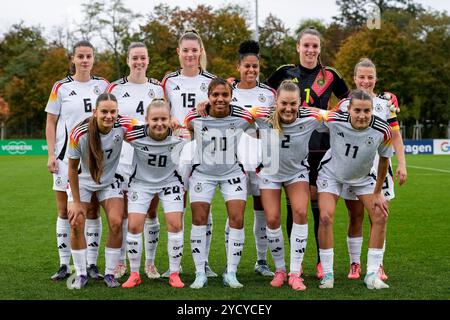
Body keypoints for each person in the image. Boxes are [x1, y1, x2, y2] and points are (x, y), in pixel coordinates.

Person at [266, 27, 349, 279]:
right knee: (295, 208)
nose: (310, 50)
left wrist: (332, 114)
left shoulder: (330, 75)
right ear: (298, 47)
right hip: (291, 149)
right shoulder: (284, 72)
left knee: (317, 207)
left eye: (315, 46)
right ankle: (296, 262)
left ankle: (321, 262)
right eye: (306, 45)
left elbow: (347, 100)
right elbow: (264, 94)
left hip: (322, 149)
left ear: (320, 49)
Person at [334, 58, 407, 281]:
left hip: (379, 166)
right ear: (355, 79)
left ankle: (377, 265)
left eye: (370, 77)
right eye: (361, 77)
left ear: (376, 79)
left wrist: (402, 164)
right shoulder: (345, 104)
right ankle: (355, 263)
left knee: (380, 214)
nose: (366, 81)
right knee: (355, 216)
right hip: (353, 166)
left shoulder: (386, 105)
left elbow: (395, 135)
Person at [45, 40, 109, 281]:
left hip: (95, 158)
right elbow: (51, 122)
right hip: (65, 159)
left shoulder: (103, 85)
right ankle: (64, 264)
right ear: (73, 59)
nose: (84, 60)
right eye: (80, 56)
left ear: (93, 59)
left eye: (88, 56)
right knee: (64, 211)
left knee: (92, 211)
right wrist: (51, 154)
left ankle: (91, 264)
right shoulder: (60, 87)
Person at [317, 89, 392, 290]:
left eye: (366, 111)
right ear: (348, 109)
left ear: (372, 111)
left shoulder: (382, 129)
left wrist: (377, 193)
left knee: (380, 215)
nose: (362, 115)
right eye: (357, 110)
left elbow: (384, 160)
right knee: (325, 217)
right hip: (331, 174)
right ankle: (328, 274)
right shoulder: (334, 119)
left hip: (362, 177)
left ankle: (372, 274)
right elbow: (309, 115)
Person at [250, 80, 322, 291]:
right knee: (272, 219)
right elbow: (236, 113)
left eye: (293, 103)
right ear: (276, 102)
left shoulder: (311, 117)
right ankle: (280, 269)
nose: (288, 108)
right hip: (270, 172)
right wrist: (206, 105)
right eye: (284, 103)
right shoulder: (262, 115)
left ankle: (295, 272)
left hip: (296, 173)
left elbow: (337, 117)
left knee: (300, 212)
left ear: (300, 102)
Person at [184, 77, 254, 289]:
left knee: (237, 218)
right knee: (199, 219)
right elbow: (186, 124)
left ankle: (231, 272)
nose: (220, 99)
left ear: (232, 97)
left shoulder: (242, 116)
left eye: (225, 95)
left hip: (231, 172)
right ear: (208, 97)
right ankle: (199, 272)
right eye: (215, 95)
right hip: (203, 173)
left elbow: (259, 118)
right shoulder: (195, 116)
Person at [66, 93, 138, 289]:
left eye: (113, 111)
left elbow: (146, 131)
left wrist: (170, 127)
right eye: (104, 111)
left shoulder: (124, 124)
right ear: (95, 112)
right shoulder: (79, 133)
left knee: (116, 223)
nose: (109, 116)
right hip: (83, 180)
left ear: (117, 112)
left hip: (109, 180)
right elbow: (72, 169)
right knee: (76, 222)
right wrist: (76, 201)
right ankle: (81, 274)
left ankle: (109, 274)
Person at [161, 29, 217, 278]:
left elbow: (221, 115)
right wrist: (170, 119)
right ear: (178, 52)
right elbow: (160, 112)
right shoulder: (169, 81)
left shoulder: (211, 81)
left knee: (204, 207)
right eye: (186, 50)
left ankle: (203, 263)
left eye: (195, 50)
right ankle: (176, 263)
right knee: (177, 206)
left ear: (201, 51)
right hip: (175, 149)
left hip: (205, 150)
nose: (190, 54)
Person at [107, 42, 165, 279]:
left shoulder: (158, 88)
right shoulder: (116, 88)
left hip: (149, 159)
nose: (139, 62)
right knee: (122, 213)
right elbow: (109, 120)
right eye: (135, 58)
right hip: (122, 158)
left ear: (148, 60)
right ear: (128, 60)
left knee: (151, 211)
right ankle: (121, 262)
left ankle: (150, 263)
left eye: (143, 58)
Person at [121, 99, 186, 289]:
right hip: (141, 183)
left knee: (175, 224)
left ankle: (174, 273)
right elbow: (116, 122)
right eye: (155, 119)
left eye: (163, 118)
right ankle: (134, 274)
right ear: (146, 119)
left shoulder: (180, 134)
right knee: (134, 226)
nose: (159, 123)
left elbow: (199, 128)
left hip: (170, 182)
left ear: (170, 118)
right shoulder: (135, 134)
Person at [227, 39, 276, 277]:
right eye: (247, 66)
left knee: (262, 210)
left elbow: (276, 126)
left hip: (261, 161)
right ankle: (230, 263)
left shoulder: (268, 94)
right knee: (234, 212)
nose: (251, 70)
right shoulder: (228, 92)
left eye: (255, 67)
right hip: (234, 161)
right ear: (238, 67)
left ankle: (261, 260)